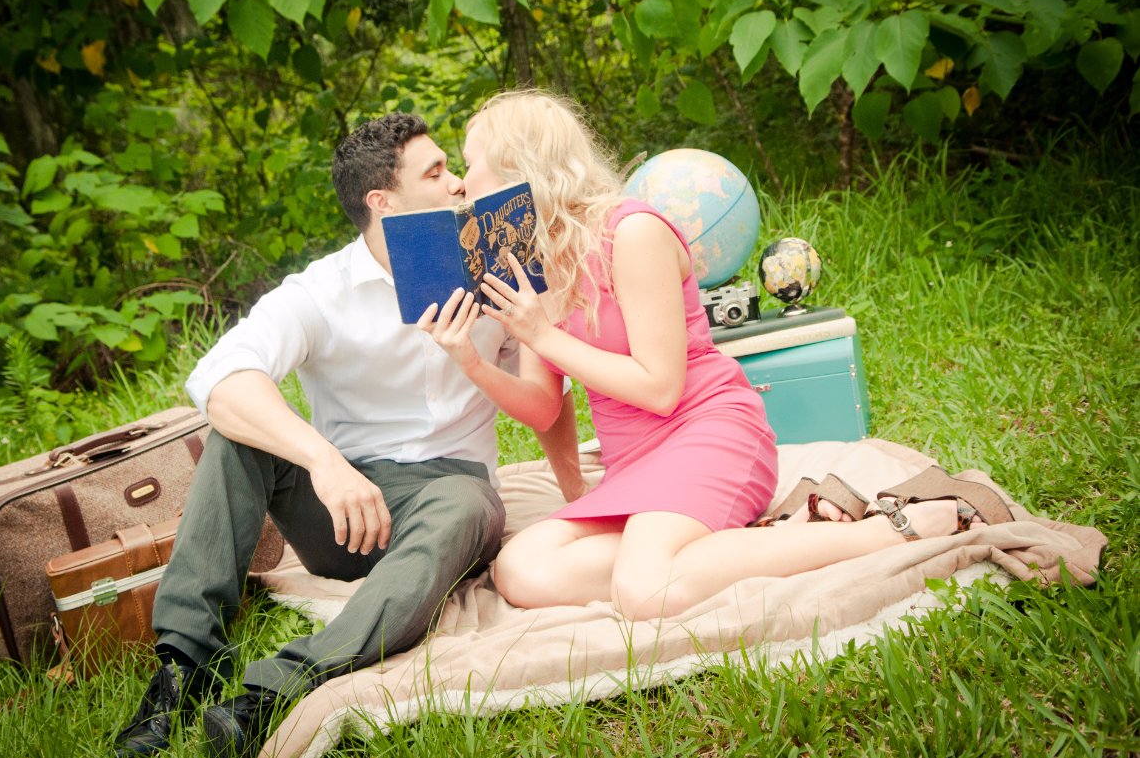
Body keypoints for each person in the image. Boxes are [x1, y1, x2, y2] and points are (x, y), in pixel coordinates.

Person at [420, 89, 1013, 621]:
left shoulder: (631, 233)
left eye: (471, 162)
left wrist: (543, 335)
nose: (462, 184)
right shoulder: (534, 265)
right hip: (634, 464)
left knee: (645, 592)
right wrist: (469, 360)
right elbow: (545, 408)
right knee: (521, 571)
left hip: (706, 431)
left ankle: (886, 532)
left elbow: (659, 388)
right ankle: (743, 546)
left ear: (521, 166)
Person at [109, 111, 579, 758]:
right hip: (346, 514)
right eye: (436, 173)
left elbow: (549, 397)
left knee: (468, 502)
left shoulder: (497, 262)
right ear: (383, 201)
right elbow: (219, 377)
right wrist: (323, 460)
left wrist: (576, 492)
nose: (457, 185)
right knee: (238, 435)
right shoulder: (322, 290)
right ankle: (183, 665)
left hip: (452, 499)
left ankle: (274, 690)